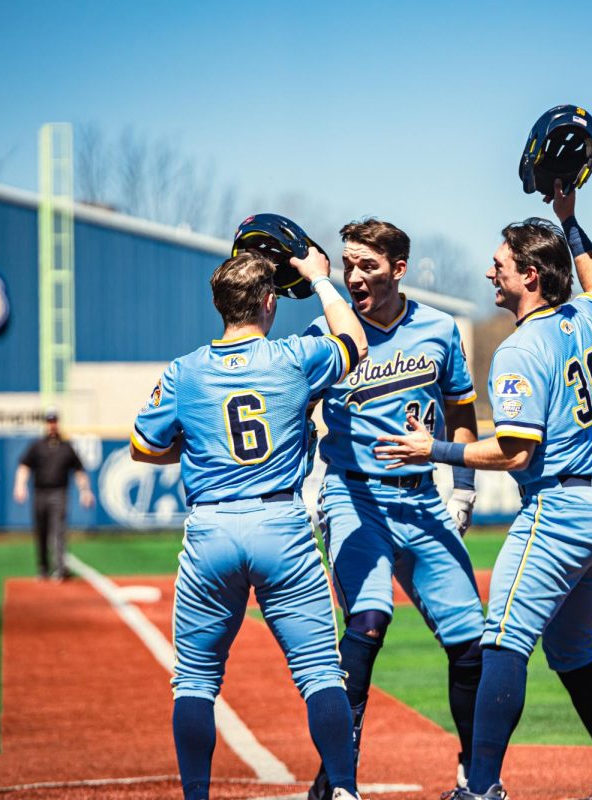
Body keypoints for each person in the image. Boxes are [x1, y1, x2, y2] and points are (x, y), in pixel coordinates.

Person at [376, 182, 592, 800]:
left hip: (556, 511)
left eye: (500, 264)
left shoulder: (519, 349)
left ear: (529, 275)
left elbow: (515, 451)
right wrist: (572, 219)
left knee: (501, 642)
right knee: (573, 654)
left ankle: (480, 789)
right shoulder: (583, 318)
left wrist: (436, 450)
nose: (489, 272)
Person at [130, 248, 369, 800]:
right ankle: (346, 791)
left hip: (212, 525)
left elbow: (144, 445)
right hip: (280, 522)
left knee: (194, 681)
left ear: (219, 304)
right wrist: (321, 281)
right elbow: (353, 340)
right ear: (268, 302)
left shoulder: (184, 370)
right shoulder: (294, 357)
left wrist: (193, 453)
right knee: (320, 675)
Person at [304, 218, 485, 798]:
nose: (354, 276)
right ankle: (339, 782)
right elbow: (291, 412)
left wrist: (463, 488)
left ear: (398, 268)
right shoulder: (326, 332)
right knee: (369, 620)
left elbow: (460, 410)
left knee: (472, 642)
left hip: (422, 499)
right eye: (348, 264)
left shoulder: (439, 329)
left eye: (369, 266)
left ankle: (475, 774)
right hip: (353, 495)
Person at [13, 409, 94, 580]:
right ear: (46, 424)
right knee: (41, 531)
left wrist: (85, 492)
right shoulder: (37, 446)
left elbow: (79, 471)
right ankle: (43, 568)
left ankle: (60, 568)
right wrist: (19, 486)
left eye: (54, 421)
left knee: (58, 531)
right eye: (49, 421)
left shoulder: (66, 447)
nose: (52, 424)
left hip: (59, 492)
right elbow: (24, 466)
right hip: (40, 492)